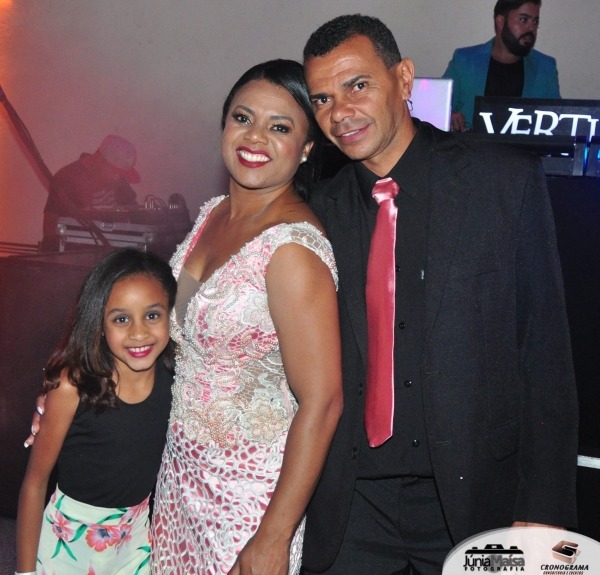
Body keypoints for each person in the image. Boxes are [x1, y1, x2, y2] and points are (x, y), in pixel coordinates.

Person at [300, 14, 578, 575]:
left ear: (403, 78)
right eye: (323, 99)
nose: (340, 112)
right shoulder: (316, 215)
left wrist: (544, 507)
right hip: (352, 506)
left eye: (357, 85)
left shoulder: (502, 182)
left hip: (475, 495)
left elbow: (544, 352)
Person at [150, 59, 342, 574]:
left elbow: (323, 402)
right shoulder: (213, 213)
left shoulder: (293, 249)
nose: (255, 137)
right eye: (243, 118)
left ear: (306, 148)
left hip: (248, 500)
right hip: (180, 478)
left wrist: (273, 538)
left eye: (279, 127)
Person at [16, 248, 176, 574]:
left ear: (170, 315)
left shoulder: (176, 378)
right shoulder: (73, 386)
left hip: (135, 538)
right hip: (68, 540)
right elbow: (35, 482)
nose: (139, 333)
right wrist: (24, 572)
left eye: (152, 315)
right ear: (99, 325)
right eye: (121, 319)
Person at [443, 0, 561, 132]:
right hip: (469, 145)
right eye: (523, 20)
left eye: (535, 21)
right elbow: (438, 107)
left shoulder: (546, 68)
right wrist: (450, 116)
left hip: (521, 146)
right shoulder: (464, 61)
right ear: (501, 22)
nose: (531, 28)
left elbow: (556, 124)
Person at [41, 135, 140, 252]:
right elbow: (50, 229)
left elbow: (137, 216)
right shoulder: (67, 178)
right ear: (100, 160)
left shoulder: (119, 181)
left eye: (121, 174)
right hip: (75, 256)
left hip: (108, 255)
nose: (117, 178)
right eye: (115, 171)